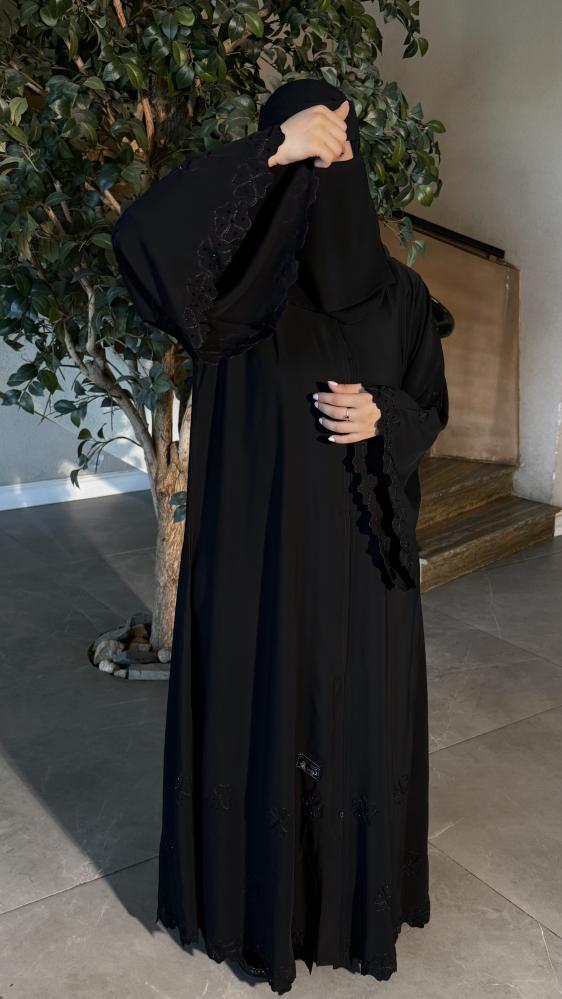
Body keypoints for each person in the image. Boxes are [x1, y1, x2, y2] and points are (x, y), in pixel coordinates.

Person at [112, 77, 449, 996]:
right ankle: (258, 901)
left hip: (361, 571)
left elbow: (430, 404)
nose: (322, 175)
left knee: (349, 718)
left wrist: (387, 417)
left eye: (337, 151)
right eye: (308, 151)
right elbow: (139, 241)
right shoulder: (232, 301)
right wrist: (275, 148)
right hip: (256, 566)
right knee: (263, 710)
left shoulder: (403, 296)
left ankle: (344, 901)